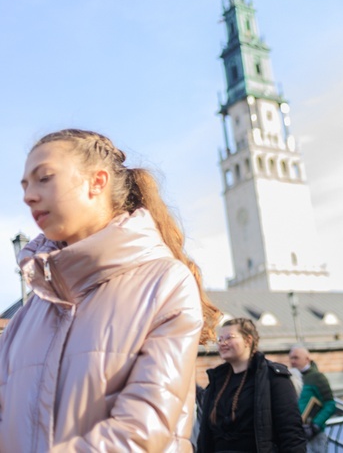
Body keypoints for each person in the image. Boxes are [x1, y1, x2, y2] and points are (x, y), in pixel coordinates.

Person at [0, 129, 220, 450]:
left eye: (44, 178)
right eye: (25, 185)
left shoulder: (165, 283)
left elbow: (142, 430)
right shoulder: (31, 309)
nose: (29, 195)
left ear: (97, 182)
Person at [199, 318, 305, 452]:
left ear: (248, 340)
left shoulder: (273, 378)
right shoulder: (216, 380)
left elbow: (291, 433)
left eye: (229, 337)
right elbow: (205, 435)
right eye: (220, 339)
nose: (223, 343)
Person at [289, 345, 337, 453]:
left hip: (314, 435)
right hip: (297, 433)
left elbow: (330, 404)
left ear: (307, 359)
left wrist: (316, 425)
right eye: (291, 358)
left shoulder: (317, 377)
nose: (292, 361)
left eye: (296, 358)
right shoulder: (291, 377)